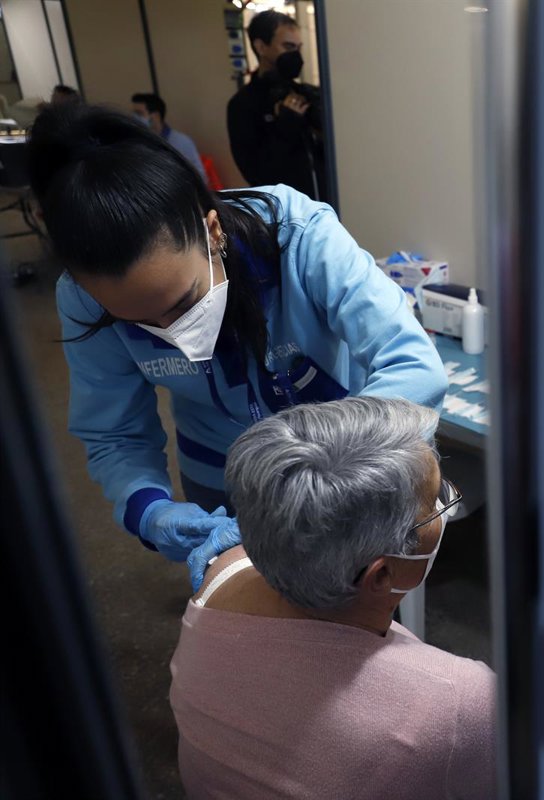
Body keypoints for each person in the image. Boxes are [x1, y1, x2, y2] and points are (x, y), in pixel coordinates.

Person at [29, 104, 447, 591]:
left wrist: (328, 477)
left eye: (184, 302)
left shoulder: (298, 235)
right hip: (219, 472)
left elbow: (413, 365)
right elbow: (114, 433)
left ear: (212, 232)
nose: (171, 330)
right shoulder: (84, 299)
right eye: (139, 321)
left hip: (343, 466)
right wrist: (149, 508)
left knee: (350, 602)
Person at [170, 396, 496, 799]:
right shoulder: (460, 701)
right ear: (381, 575)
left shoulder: (223, 573)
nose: (447, 505)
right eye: (435, 502)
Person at [227, 10, 327, 200]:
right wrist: (286, 127)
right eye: (288, 46)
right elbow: (256, 174)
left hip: (326, 205)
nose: (295, 55)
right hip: (283, 211)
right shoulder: (242, 105)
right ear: (261, 47)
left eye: (298, 48)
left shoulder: (305, 94)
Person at [131, 92, 205, 178]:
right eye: (134, 113)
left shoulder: (181, 142)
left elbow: (200, 177)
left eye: (139, 113)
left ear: (156, 116)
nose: (134, 117)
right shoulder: (138, 143)